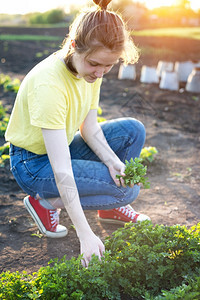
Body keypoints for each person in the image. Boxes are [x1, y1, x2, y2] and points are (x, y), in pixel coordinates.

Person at [5, 0, 150, 267]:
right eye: (96, 64)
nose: (100, 72)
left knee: (132, 130)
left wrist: (112, 161)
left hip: (65, 144)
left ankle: (109, 208)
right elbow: (61, 171)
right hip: (33, 164)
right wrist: (85, 234)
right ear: (73, 45)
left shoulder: (92, 69)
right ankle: (47, 203)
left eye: (109, 66)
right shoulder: (49, 84)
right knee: (126, 191)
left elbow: (90, 128)